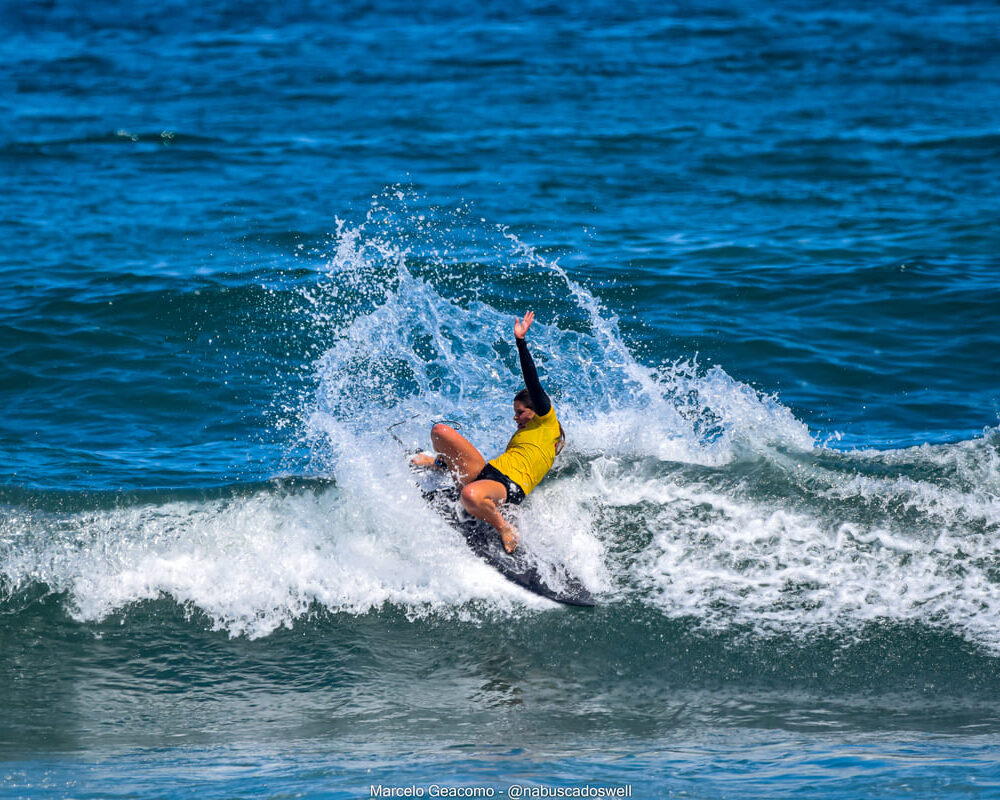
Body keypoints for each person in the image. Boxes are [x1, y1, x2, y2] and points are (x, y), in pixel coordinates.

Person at [411, 310, 564, 554]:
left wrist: (520, 342)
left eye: (520, 412)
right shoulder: (524, 434)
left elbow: (533, 382)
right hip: (487, 473)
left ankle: (505, 528)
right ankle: (439, 463)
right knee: (440, 431)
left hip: (508, 489)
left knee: (471, 495)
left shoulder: (547, 423)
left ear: (537, 410)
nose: (515, 417)